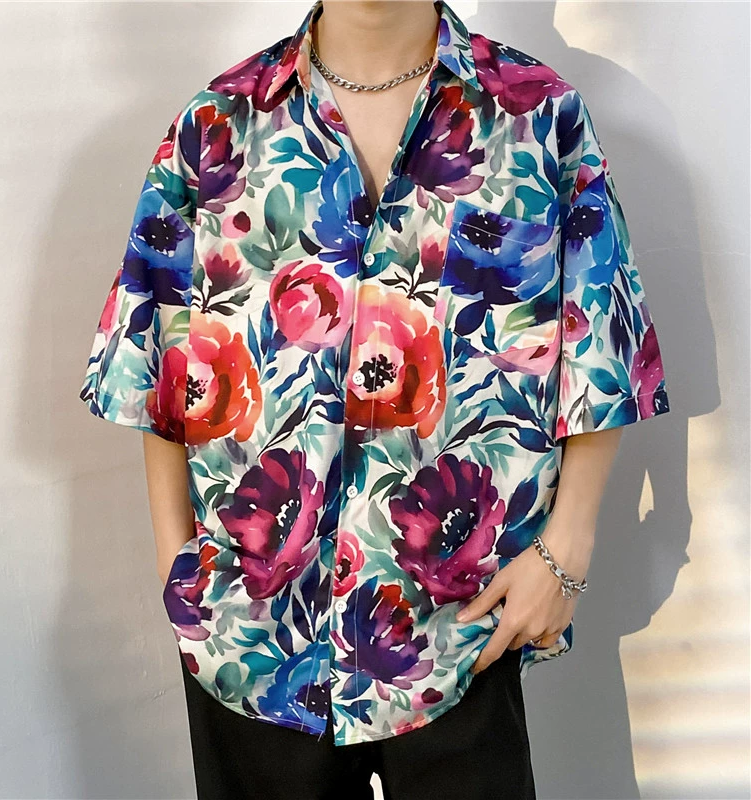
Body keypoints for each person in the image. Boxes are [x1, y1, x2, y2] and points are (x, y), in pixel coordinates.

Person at [78, 0, 671, 797]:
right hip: (251, 634)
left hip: (463, 628)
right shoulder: (217, 126)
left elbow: (604, 346)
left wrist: (566, 552)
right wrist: (178, 564)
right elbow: (152, 359)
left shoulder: (538, 116)